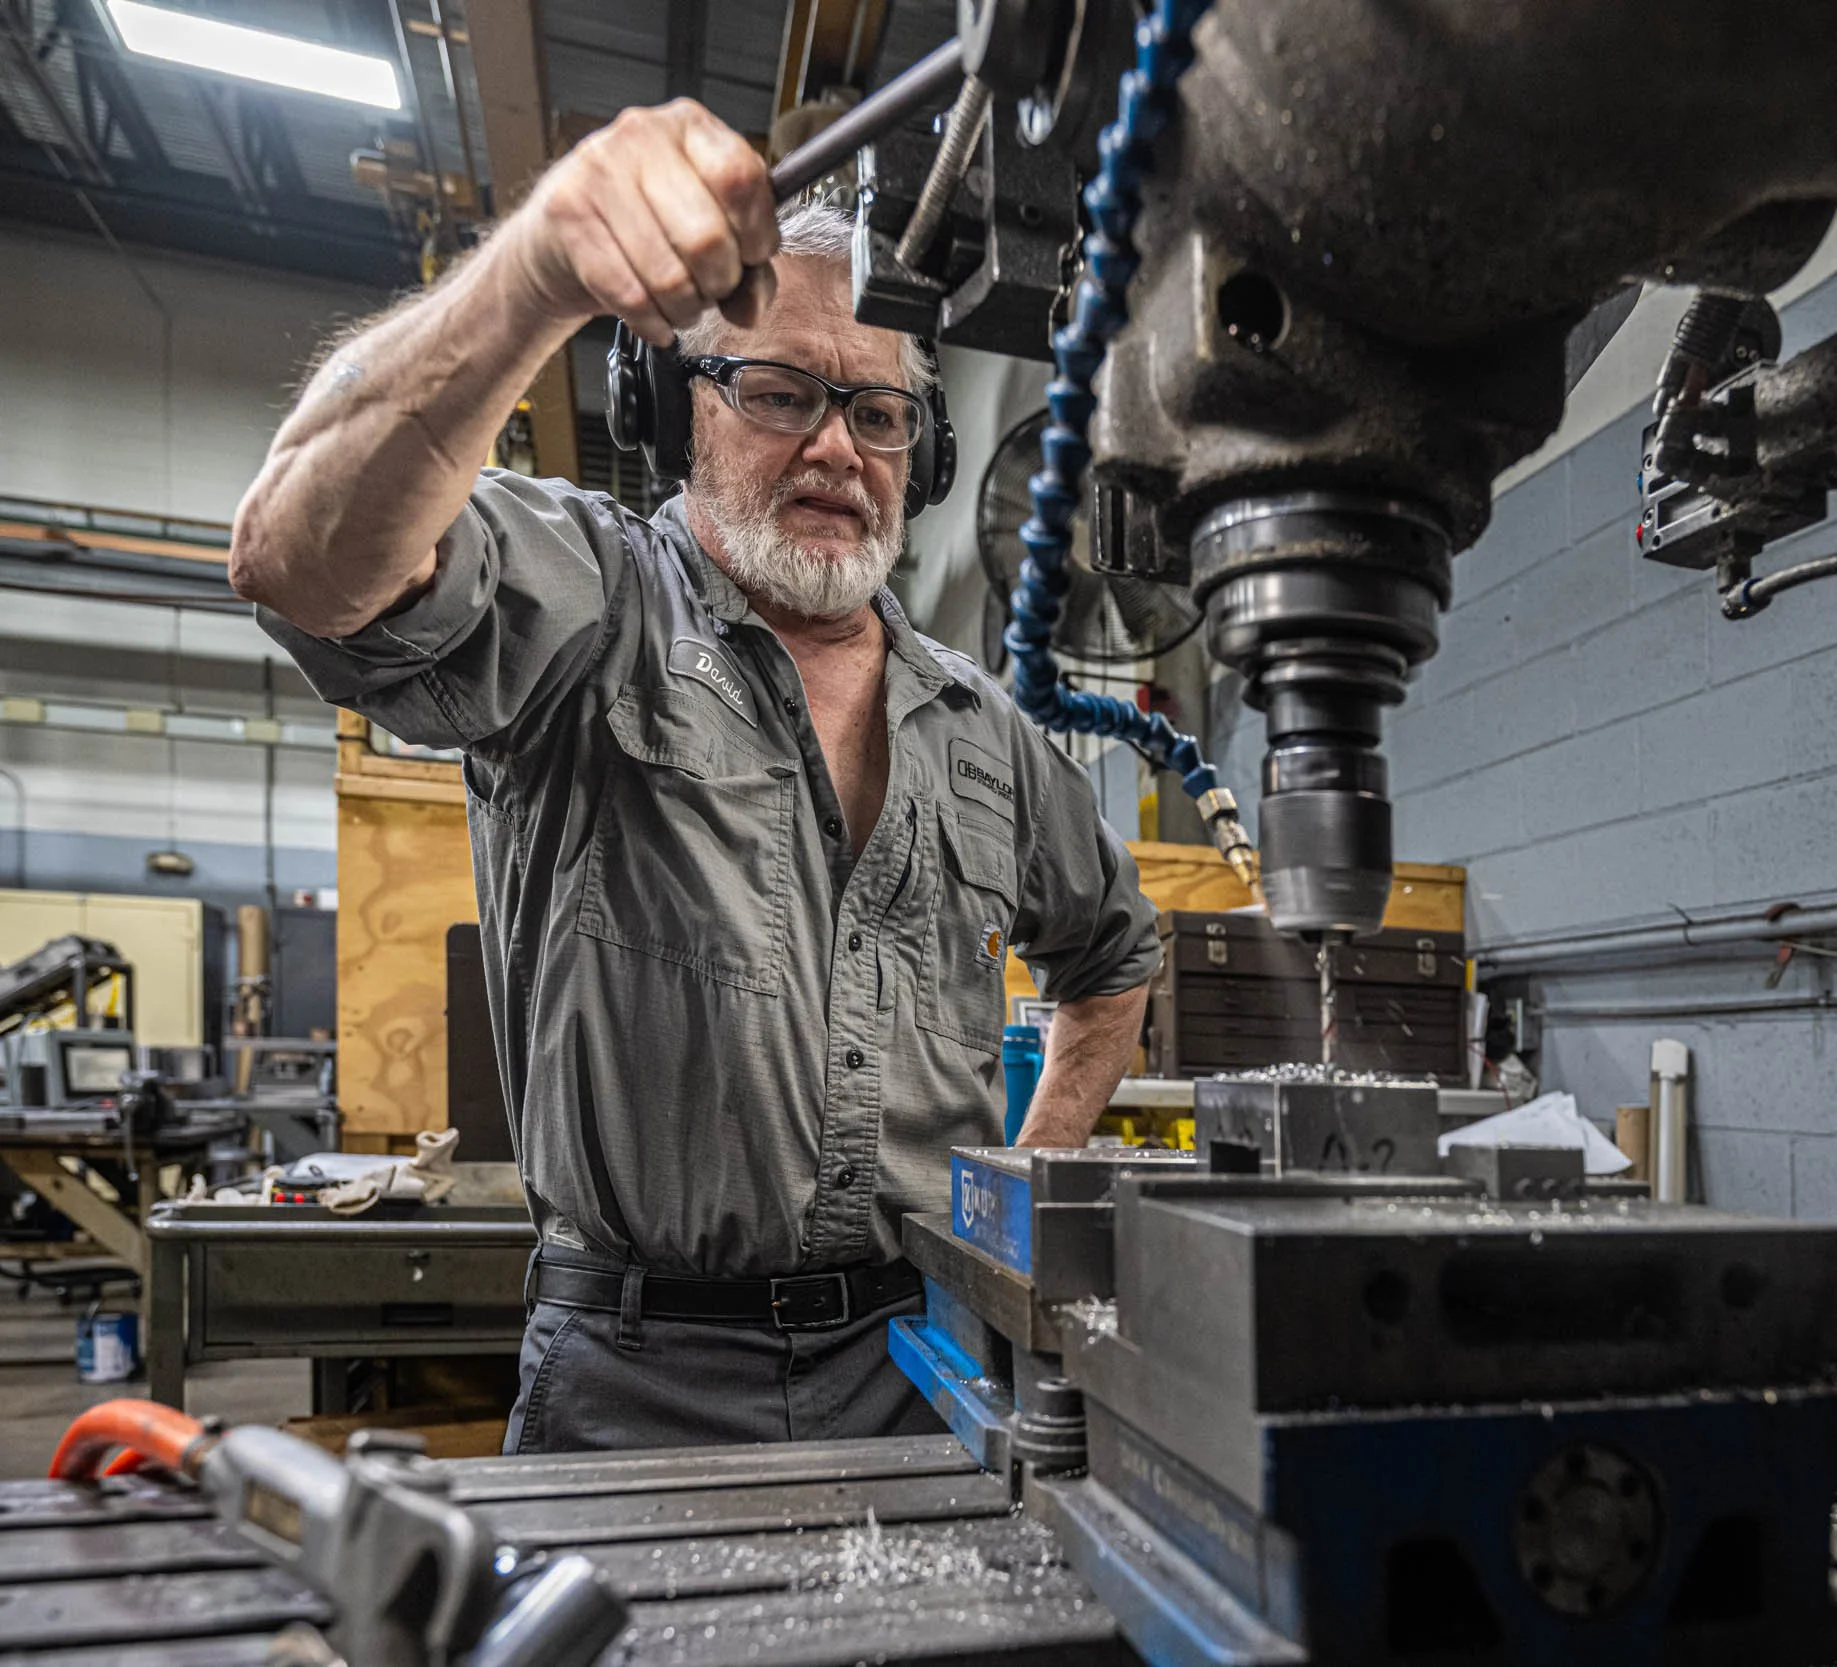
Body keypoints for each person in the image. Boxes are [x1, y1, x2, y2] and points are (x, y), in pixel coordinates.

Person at [232, 100, 1159, 1453]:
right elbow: (297, 562)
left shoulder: (980, 722)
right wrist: (536, 270)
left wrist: (1035, 1168)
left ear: (926, 453)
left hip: (928, 1362)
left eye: (880, 412)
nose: (839, 447)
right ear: (675, 410)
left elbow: (1112, 953)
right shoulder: (590, 606)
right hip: (635, 1378)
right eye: (781, 394)